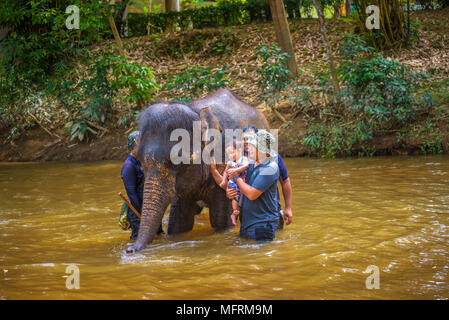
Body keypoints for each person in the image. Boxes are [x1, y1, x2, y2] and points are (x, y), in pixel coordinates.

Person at [226, 126, 293, 226]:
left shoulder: (273, 157)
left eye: (251, 139)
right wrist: (229, 192)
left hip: (269, 211)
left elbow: (285, 181)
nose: (248, 142)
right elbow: (229, 181)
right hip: (248, 212)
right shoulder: (238, 156)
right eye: (245, 139)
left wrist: (288, 207)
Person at [228, 130, 280, 241]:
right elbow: (241, 188)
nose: (249, 148)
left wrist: (236, 178)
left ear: (262, 150)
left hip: (263, 224)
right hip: (247, 222)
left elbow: (252, 194)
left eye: (253, 146)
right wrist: (230, 193)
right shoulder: (251, 164)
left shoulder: (270, 168)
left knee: (260, 256)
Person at [121, 131, 162, 240]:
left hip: (151, 209)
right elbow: (132, 194)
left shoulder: (143, 161)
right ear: (133, 147)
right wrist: (144, 215)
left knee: (159, 238)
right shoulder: (129, 167)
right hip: (138, 211)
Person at [220, 138, 249, 225]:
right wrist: (224, 180)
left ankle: (237, 212)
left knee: (241, 196)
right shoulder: (230, 162)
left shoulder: (244, 159)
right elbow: (225, 171)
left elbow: (246, 166)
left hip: (242, 182)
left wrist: (236, 170)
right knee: (235, 197)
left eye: (232, 152)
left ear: (239, 150)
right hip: (234, 183)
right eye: (228, 154)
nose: (230, 155)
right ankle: (234, 212)